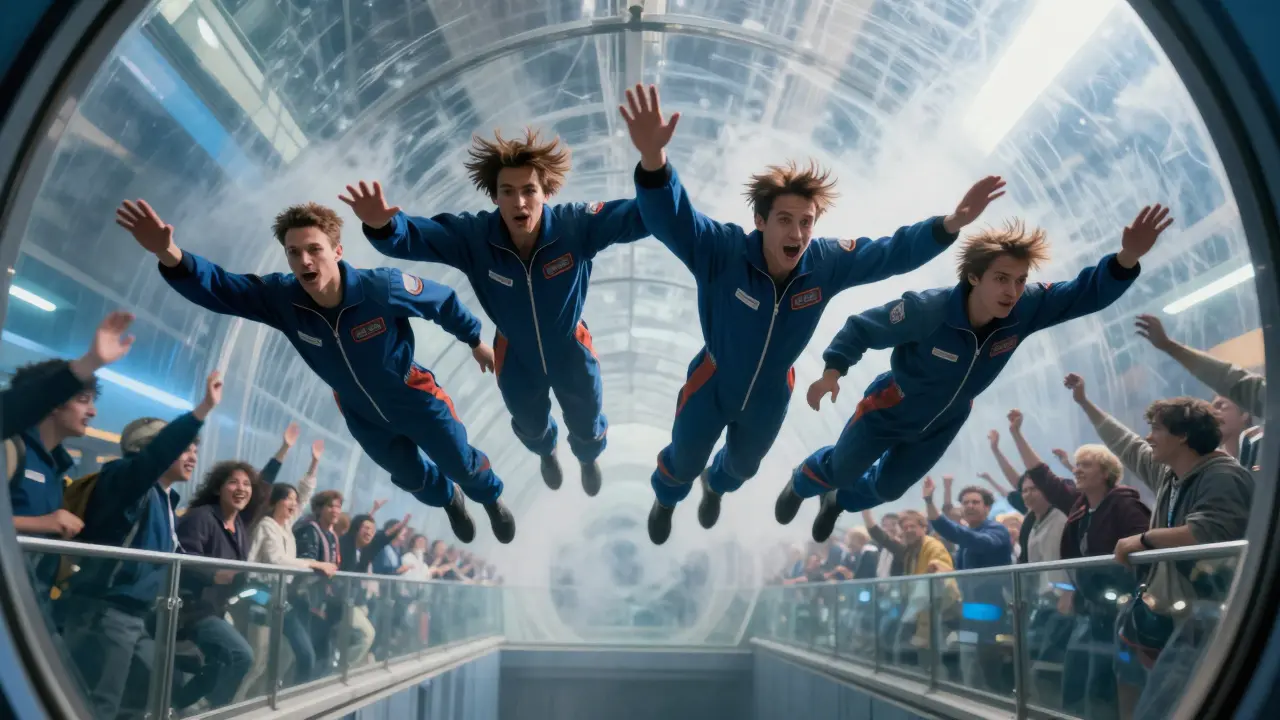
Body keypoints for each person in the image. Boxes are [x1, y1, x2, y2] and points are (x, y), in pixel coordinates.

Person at [618, 82, 1008, 544]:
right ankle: (667, 498)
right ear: (760, 221)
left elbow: (890, 253)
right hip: (714, 379)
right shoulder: (722, 251)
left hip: (770, 391)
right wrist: (653, 163)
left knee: (741, 467)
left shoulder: (825, 263)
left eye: (806, 222)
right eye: (785, 220)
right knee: (684, 460)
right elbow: (673, 219)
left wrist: (949, 226)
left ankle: (715, 487)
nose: (798, 233)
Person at [115, 198, 515, 544]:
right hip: (361, 413)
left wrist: (473, 340)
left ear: (336, 250)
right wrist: (170, 254)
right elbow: (224, 288)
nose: (304, 261)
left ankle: (490, 498)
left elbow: (441, 300)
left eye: (313, 249)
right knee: (411, 477)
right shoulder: (283, 299)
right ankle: (449, 500)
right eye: (293, 252)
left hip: (414, 395)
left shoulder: (380, 288)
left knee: (460, 462)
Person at [779, 204, 1174, 542]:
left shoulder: (1025, 309)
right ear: (974, 277)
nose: (1012, 290)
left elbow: (1083, 293)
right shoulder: (927, 311)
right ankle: (801, 482)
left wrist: (1125, 260)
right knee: (843, 468)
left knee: (889, 487)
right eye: (1001, 279)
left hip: (943, 421)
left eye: (1020, 280)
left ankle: (837, 501)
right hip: (890, 408)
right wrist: (833, 370)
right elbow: (862, 327)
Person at [345, 131, 650, 496]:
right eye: (508, 191)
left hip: (570, 347)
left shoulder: (575, 226)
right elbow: (416, 235)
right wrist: (383, 225)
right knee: (529, 422)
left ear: (546, 192)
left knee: (586, 419)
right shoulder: (475, 237)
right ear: (494, 196)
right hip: (514, 353)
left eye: (529, 190)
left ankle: (587, 456)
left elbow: (642, 215)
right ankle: (545, 451)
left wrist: (655, 167)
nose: (519, 202)